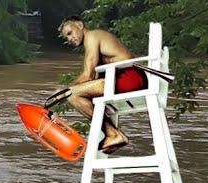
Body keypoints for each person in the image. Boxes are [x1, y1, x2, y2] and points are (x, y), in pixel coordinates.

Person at [48, 16, 149, 154]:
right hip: (124, 78)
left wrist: (64, 92)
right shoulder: (93, 41)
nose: (70, 39)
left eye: (70, 33)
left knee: (71, 93)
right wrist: (69, 93)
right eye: (67, 37)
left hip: (130, 77)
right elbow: (92, 79)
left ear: (80, 25)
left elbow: (88, 75)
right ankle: (113, 134)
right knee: (74, 96)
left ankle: (113, 134)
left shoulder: (93, 37)